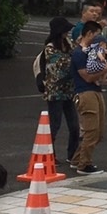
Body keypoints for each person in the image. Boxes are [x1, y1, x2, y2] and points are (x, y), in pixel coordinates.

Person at [70, 20, 107, 173]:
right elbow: (87, 77)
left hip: (94, 92)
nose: (99, 39)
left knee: (97, 131)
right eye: (97, 35)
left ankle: (78, 159)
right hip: (86, 93)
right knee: (91, 132)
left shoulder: (89, 53)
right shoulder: (79, 53)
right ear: (89, 34)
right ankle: (84, 165)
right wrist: (106, 68)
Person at [41, 17, 80, 166]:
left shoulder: (68, 43)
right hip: (55, 91)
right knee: (54, 125)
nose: (67, 33)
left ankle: (73, 154)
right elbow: (60, 67)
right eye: (65, 30)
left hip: (68, 90)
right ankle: (49, 155)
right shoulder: (50, 47)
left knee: (74, 126)